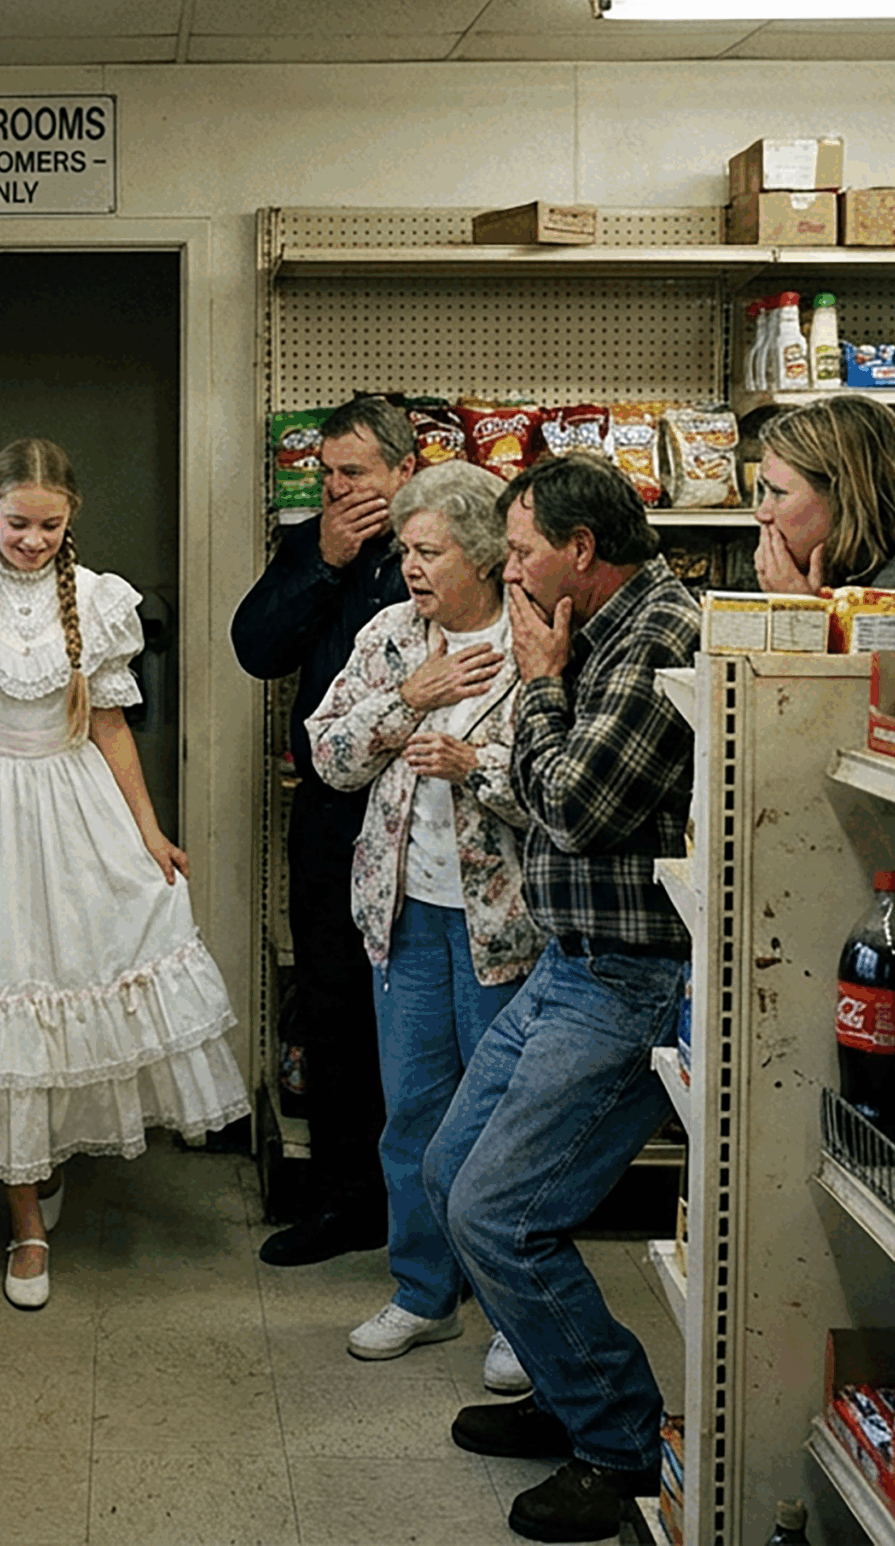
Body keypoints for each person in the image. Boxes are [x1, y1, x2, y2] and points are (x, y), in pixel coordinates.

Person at [0, 437, 249, 1310]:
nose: (32, 539)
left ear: (70, 518)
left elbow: (113, 727)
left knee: (74, 982)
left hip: (76, 807)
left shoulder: (98, 602)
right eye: (16, 523)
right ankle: (26, 1223)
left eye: (48, 524)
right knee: (0, 990)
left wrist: (151, 832)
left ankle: (43, 1160)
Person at [432, 451, 700, 1545]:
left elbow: (574, 805)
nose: (512, 566)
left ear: (580, 551)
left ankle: (616, 1443)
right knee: (453, 1173)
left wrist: (542, 684)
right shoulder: (595, 624)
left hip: (629, 979)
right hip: (567, 960)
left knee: (502, 1212)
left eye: (527, 546)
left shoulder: (654, 632)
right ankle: (564, 1385)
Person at [305, 462, 543, 1394]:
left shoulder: (537, 641)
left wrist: (474, 761)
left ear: (484, 555)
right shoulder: (393, 636)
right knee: (410, 1115)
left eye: (427, 549)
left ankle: (519, 1316)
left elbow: (566, 793)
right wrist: (412, 695)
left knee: (503, 1130)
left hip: (509, 927)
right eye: (404, 548)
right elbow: (327, 754)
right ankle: (423, 1292)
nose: (408, 565)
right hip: (400, 917)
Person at [230, 394, 418, 1265]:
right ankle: (345, 1203)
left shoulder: (445, 544)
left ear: (403, 472)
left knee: (420, 1018)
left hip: (424, 812)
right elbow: (255, 645)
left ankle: (426, 1215)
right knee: (334, 1008)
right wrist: (325, 563)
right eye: (327, 474)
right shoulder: (311, 544)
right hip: (331, 814)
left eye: (356, 474)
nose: (338, 489)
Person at [750, 390, 895, 592]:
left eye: (778, 493)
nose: (762, 513)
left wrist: (799, 616)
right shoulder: (860, 565)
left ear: (847, 498)